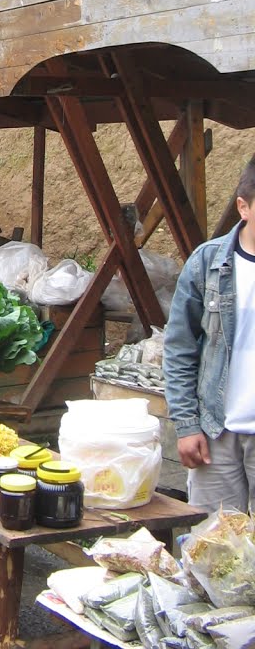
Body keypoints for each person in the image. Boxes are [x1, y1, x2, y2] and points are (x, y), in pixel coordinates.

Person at [164, 161, 255, 515]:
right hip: (216, 434)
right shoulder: (208, 262)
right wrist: (186, 426)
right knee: (213, 554)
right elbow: (179, 348)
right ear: (243, 207)